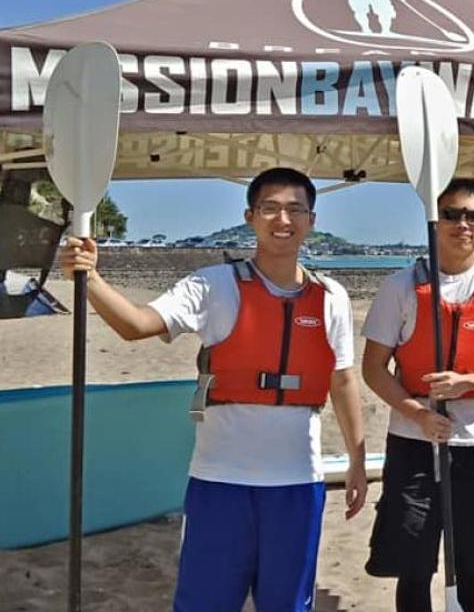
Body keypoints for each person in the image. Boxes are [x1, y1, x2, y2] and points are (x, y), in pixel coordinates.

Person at [59, 167, 368, 612]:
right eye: (271, 209)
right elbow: (137, 325)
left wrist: (358, 459)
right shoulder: (213, 285)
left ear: (311, 220)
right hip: (221, 480)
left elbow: (342, 379)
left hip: (299, 483)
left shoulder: (331, 296)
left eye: (295, 210)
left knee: (287, 604)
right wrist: (91, 279)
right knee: (206, 601)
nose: (283, 220)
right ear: (250, 216)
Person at [360, 177, 474, 612]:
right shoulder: (401, 287)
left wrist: (468, 382)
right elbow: (374, 368)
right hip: (414, 441)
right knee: (413, 563)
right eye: (452, 215)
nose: (463, 224)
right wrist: (417, 413)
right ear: (435, 223)